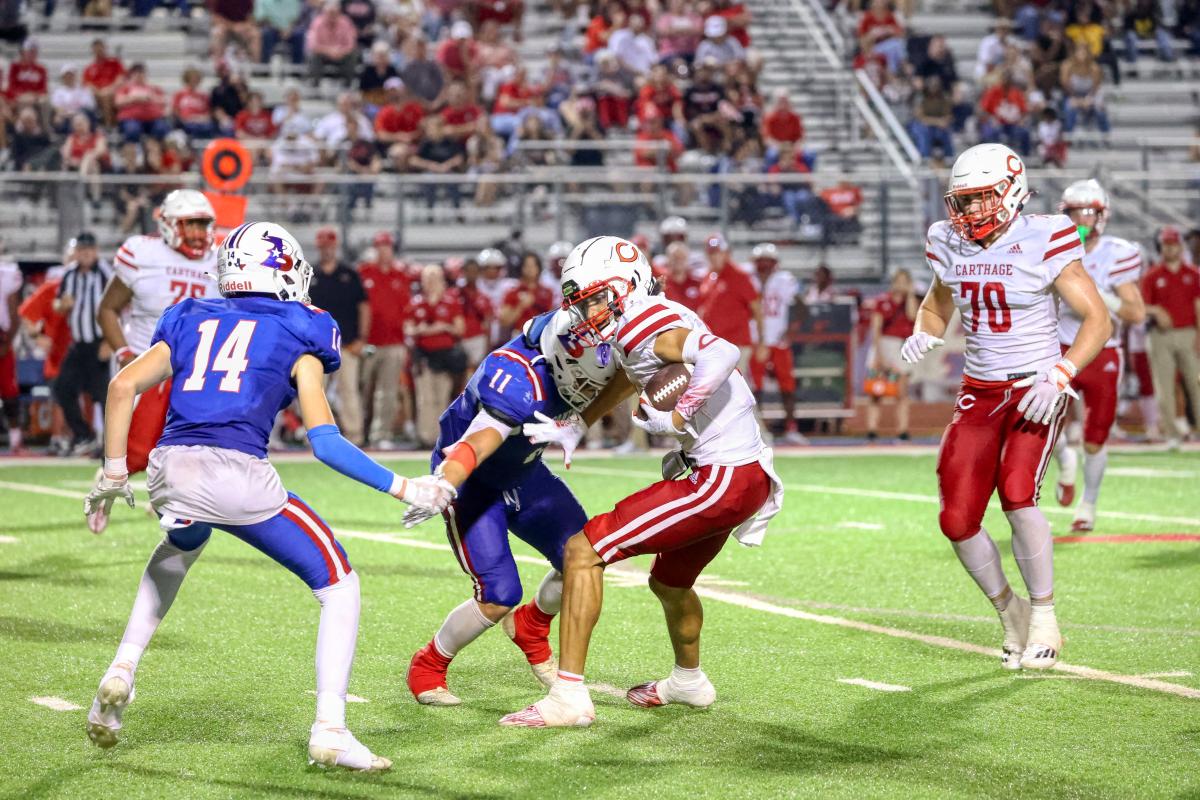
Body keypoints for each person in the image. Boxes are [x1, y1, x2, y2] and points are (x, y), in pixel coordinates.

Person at [82, 221, 453, 771]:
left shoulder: (189, 315)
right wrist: (405, 486)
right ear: (281, 272)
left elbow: (122, 386)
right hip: (238, 474)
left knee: (182, 544)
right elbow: (325, 442)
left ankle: (122, 669)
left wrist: (114, 472)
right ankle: (331, 728)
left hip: (170, 469)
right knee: (339, 584)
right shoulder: (304, 327)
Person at [497, 236, 784, 727]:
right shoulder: (643, 320)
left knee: (583, 551)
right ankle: (689, 681)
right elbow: (634, 372)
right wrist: (579, 423)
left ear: (626, 286)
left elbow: (723, 352)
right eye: (580, 302)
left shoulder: (642, 321)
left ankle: (568, 698)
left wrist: (680, 416)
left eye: (594, 299)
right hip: (741, 472)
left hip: (722, 477)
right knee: (670, 582)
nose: (586, 312)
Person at [903, 143, 1111, 672]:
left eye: (980, 197)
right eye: (963, 199)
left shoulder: (1045, 235)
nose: (969, 209)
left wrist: (1061, 373)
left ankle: (1044, 616)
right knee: (956, 519)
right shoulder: (946, 240)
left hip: (1036, 386)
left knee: (1018, 495)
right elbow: (937, 304)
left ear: (1011, 191)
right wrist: (923, 331)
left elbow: (1098, 320)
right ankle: (1010, 611)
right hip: (979, 391)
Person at [401, 305, 617, 705]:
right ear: (563, 364)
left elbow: (625, 373)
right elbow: (477, 442)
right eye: (584, 381)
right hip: (473, 480)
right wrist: (446, 482)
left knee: (585, 556)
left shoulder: (582, 334)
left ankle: (532, 625)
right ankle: (427, 664)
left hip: (524, 472)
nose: (590, 391)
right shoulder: (517, 380)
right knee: (498, 593)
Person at [92, 191, 218, 533]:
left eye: (203, 224)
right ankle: (106, 485)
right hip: (146, 363)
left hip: (193, 368)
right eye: (190, 224)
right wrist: (123, 353)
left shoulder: (219, 261)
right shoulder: (142, 253)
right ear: (168, 225)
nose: (198, 233)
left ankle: (173, 500)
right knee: (133, 448)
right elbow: (107, 309)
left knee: (192, 445)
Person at [1050, 181, 1145, 530]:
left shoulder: (1115, 253)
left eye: (1088, 212)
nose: (1081, 219)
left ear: (1102, 215)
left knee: (1095, 436)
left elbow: (1136, 313)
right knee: (1043, 422)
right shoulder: (1052, 249)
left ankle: (1088, 504)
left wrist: (1099, 298)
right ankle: (1065, 460)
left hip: (1102, 353)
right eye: (1075, 212)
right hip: (1061, 347)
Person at [308, 227, 370, 445]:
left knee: (349, 391)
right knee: (315, 391)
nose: (327, 250)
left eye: (330, 246)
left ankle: (355, 435)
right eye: (323, 246)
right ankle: (315, 436)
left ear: (335, 247)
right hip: (317, 346)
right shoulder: (310, 274)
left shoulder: (349, 274)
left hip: (347, 343)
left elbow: (363, 306)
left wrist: (362, 338)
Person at [52, 232, 112, 456]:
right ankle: (83, 435)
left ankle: (110, 446)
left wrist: (109, 341)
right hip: (78, 344)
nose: (85, 253)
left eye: (89, 249)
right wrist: (62, 305)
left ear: (95, 251)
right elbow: (58, 304)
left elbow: (118, 306)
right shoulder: (69, 274)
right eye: (81, 250)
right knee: (62, 388)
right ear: (76, 252)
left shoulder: (105, 273)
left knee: (104, 396)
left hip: (99, 343)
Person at [1141, 226, 1200, 449]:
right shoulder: (1152, 275)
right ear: (1162, 247)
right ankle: (1172, 435)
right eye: (1166, 245)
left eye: (1173, 244)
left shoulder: (1193, 274)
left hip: (1189, 333)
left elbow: (1199, 307)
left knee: (1196, 383)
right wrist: (1156, 310)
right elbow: (1140, 306)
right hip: (1160, 336)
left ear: (1180, 247)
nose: (1170, 249)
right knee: (1164, 387)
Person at [747, 243, 805, 444]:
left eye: (767, 262)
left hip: (778, 341)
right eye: (760, 262)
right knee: (754, 388)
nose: (764, 266)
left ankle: (791, 428)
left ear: (775, 263)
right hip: (756, 340)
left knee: (787, 386)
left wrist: (790, 331)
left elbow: (801, 306)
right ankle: (756, 429)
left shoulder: (784, 280)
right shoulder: (748, 279)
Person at [359, 231, 411, 448]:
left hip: (394, 342)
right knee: (361, 388)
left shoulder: (401, 276)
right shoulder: (364, 273)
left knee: (387, 392)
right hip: (368, 342)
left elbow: (407, 309)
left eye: (387, 247)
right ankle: (357, 433)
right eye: (380, 247)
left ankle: (381, 435)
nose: (384, 251)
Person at [407, 265, 465, 446]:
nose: (431, 282)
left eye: (434, 278)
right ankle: (426, 437)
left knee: (442, 396)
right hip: (424, 355)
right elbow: (408, 328)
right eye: (428, 278)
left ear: (442, 281)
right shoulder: (416, 302)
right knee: (425, 397)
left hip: (445, 357)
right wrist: (426, 329)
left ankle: (442, 438)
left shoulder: (451, 302)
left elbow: (460, 328)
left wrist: (443, 327)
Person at [695, 234, 763, 373]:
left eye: (718, 252)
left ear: (726, 253)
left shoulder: (740, 276)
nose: (715, 257)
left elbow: (757, 310)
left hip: (736, 345)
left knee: (735, 383)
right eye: (711, 253)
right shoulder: (708, 277)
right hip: (714, 345)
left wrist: (762, 341)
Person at [866, 269, 917, 441]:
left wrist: (910, 294)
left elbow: (912, 316)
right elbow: (876, 329)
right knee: (876, 389)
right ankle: (872, 428)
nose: (901, 284)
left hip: (901, 345)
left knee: (902, 391)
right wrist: (878, 354)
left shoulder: (909, 301)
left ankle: (902, 429)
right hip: (884, 343)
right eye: (899, 281)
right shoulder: (882, 301)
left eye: (905, 281)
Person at [498, 252, 554, 338]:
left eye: (533, 265)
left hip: (542, 334)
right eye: (526, 266)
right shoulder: (512, 292)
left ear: (538, 268)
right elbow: (504, 321)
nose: (530, 269)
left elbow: (552, 318)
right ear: (521, 268)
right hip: (519, 335)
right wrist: (521, 306)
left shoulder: (547, 292)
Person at [0, 253, 21, 452]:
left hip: (2, 336)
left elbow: (15, 314)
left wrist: (7, 341)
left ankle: (16, 440)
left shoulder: (7, 273)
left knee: (9, 391)